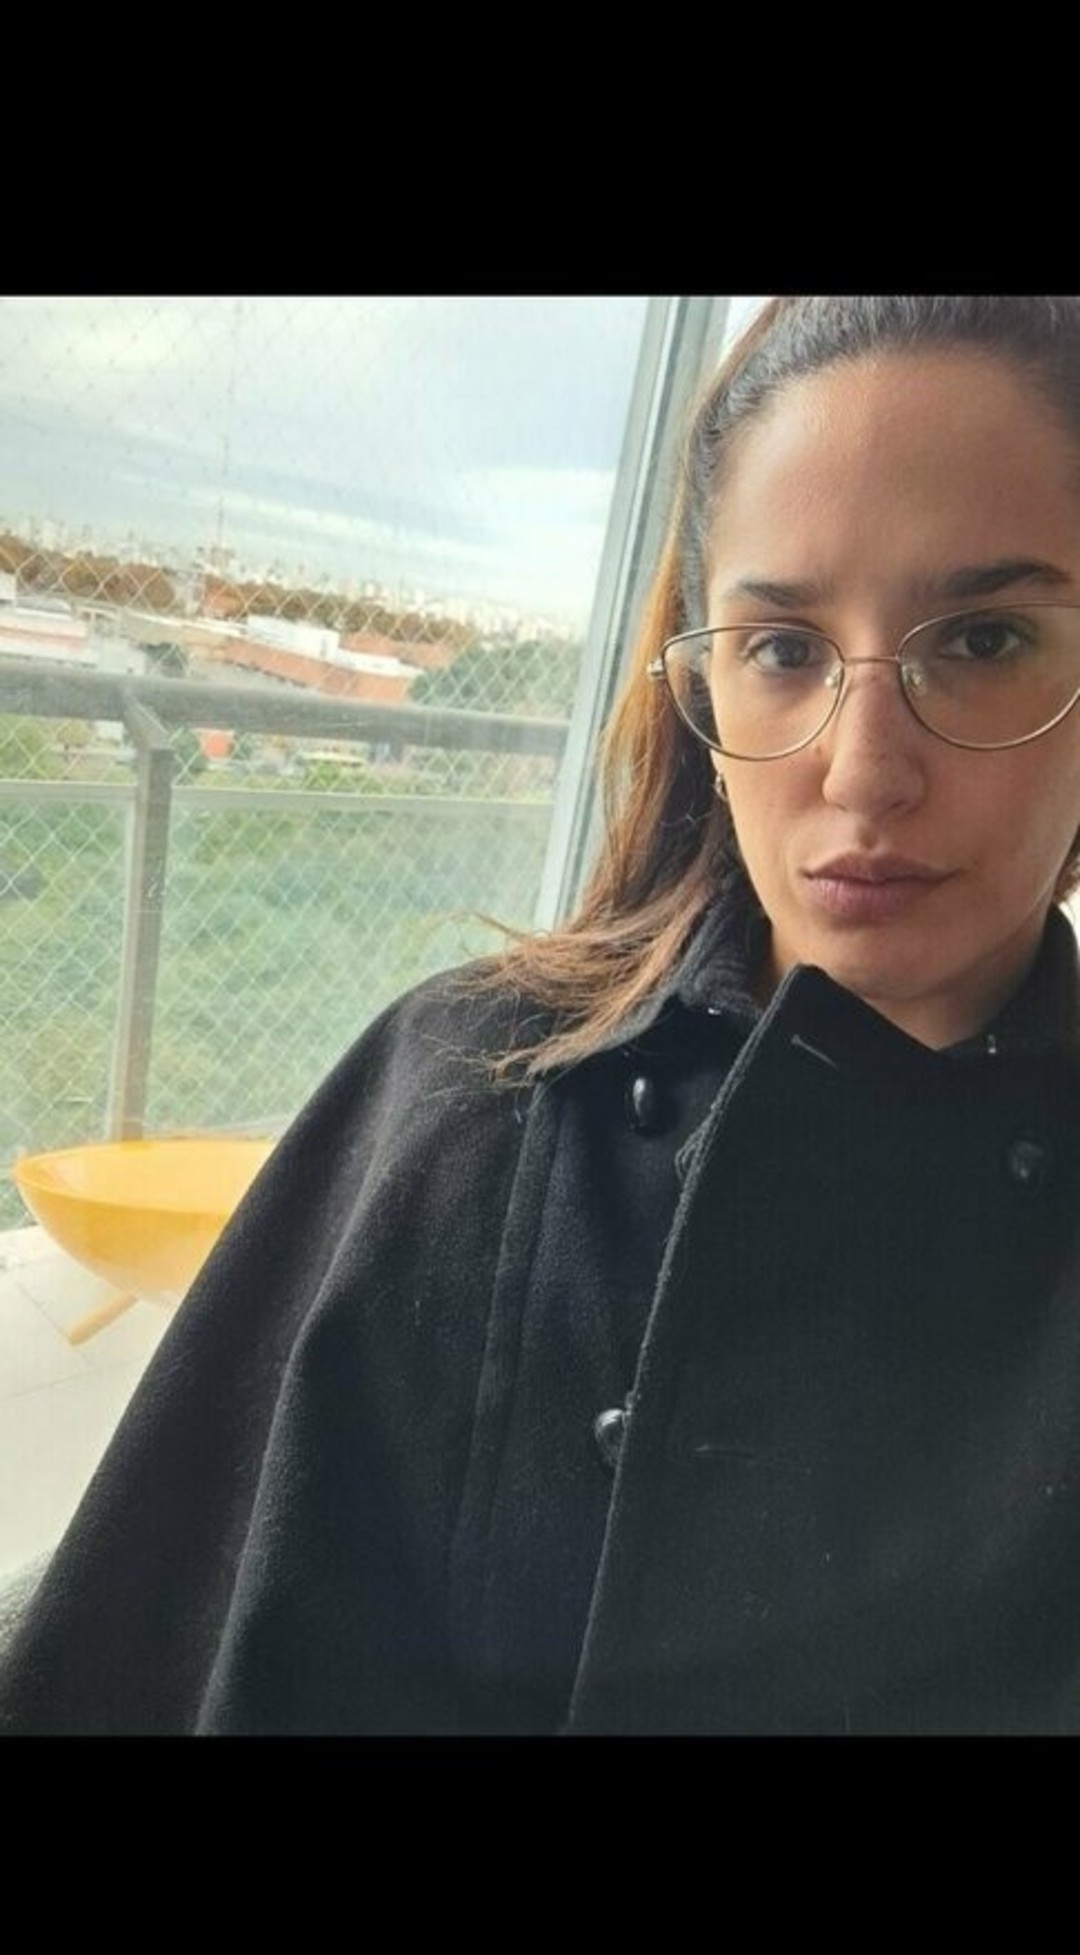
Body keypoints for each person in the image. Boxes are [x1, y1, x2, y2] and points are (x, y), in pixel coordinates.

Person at [6, 292, 1080, 1736]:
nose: (863, 769)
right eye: (781, 649)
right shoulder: (463, 1091)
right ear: (703, 688)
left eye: (986, 639)